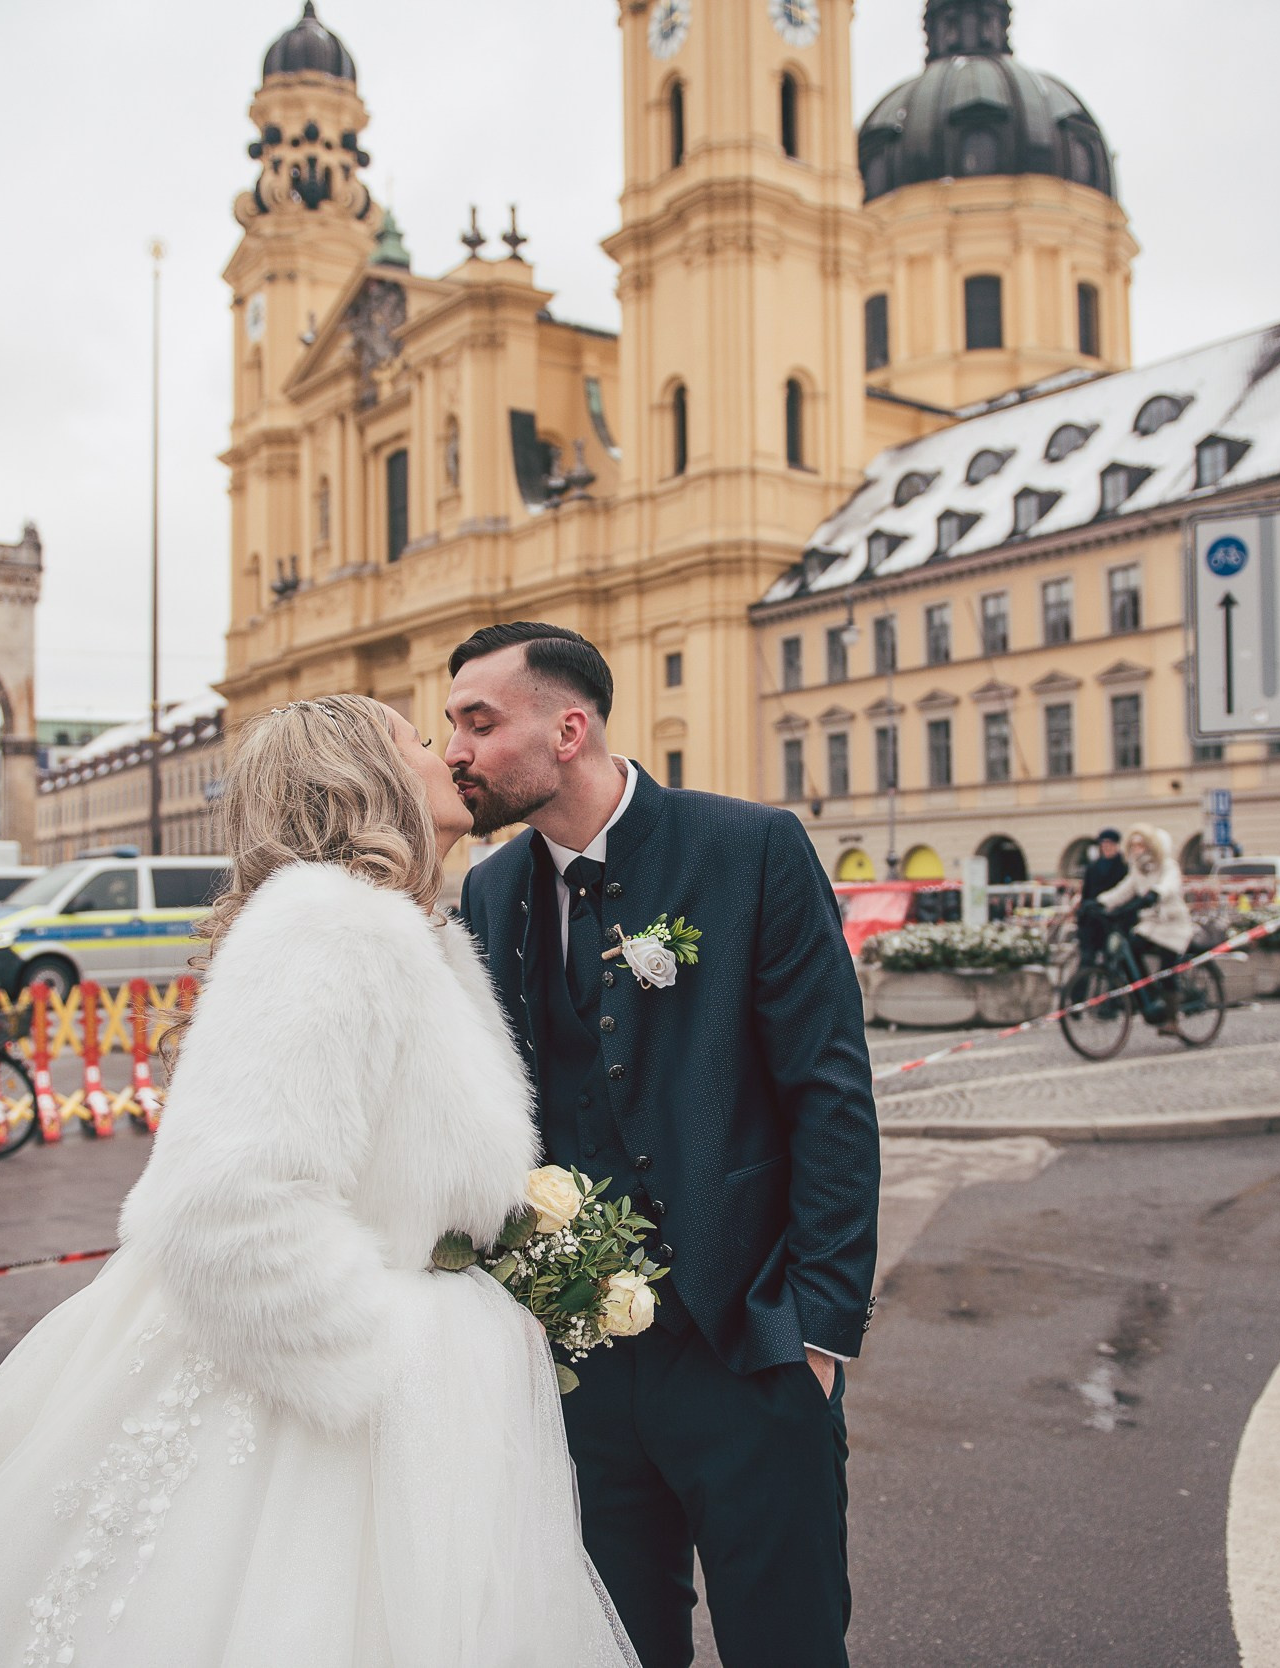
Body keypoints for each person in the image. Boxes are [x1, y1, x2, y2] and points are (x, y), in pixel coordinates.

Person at [0, 694, 634, 1667]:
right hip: (321, 1416)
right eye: (418, 740)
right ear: (358, 780)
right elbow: (225, 1207)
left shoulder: (407, 930)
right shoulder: (331, 928)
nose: (448, 754)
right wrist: (388, 1363)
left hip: (388, 1397)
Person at [449, 623, 879, 1668]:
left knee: (788, 1645)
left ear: (568, 728)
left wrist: (816, 1333)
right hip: (579, 1374)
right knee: (613, 1649)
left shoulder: (746, 848)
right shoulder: (488, 893)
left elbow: (829, 1093)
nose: (453, 750)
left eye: (477, 721)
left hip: (749, 1347)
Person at [1095, 824, 1195, 1022]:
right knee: (1129, 950)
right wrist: (1098, 902)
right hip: (1151, 926)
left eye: (1140, 844)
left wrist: (1156, 893)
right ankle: (1147, 995)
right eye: (1132, 845)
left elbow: (1170, 885)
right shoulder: (1137, 870)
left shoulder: (1167, 865)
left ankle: (1172, 1019)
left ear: (1151, 845)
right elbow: (1122, 891)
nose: (1136, 849)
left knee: (1167, 970)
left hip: (1173, 926)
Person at [1076, 827, 1129, 961]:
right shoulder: (1093, 867)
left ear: (1116, 845)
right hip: (1093, 920)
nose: (1106, 848)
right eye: (1104, 845)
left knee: (1112, 958)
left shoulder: (1124, 867)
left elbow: (1126, 894)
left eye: (1110, 844)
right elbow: (1086, 893)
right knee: (1087, 958)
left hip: (1113, 920)